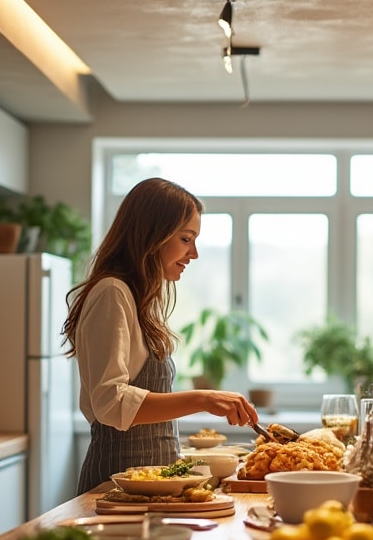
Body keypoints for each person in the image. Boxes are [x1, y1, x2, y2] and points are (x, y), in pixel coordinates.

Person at [64, 177, 258, 494]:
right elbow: (110, 403)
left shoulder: (136, 297)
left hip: (151, 485)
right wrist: (204, 398)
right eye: (185, 239)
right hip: (120, 486)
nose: (193, 253)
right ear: (153, 235)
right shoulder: (113, 292)